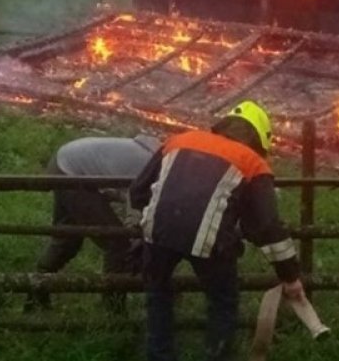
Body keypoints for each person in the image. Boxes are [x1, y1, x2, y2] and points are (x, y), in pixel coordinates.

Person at [129, 100, 304, 361]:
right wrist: (290, 276)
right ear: (259, 139)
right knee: (222, 302)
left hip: (158, 231)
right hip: (208, 240)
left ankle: (160, 355)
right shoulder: (253, 163)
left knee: (158, 294)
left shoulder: (179, 140)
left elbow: (138, 192)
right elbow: (266, 226)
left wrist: (162, 217)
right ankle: (217, 355)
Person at [25, 133, 161, 313]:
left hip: (66, 160)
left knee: (67, 237)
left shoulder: (153, 158)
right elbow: (135, 210)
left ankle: (35, 296)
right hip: (73, 173)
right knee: (118, 243)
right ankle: (113, 308)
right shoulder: (152, 168)